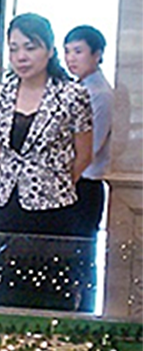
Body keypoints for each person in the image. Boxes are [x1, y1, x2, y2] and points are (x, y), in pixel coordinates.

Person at [0, 13, 94, 311]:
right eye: (14, 48)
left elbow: (84, 154)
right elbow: (0, 151)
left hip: (53, 211)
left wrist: (55, 183)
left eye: (30, 47)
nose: (21, 57)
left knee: (47, 294)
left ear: (50, 50)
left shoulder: (72, 95)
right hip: (3, 206)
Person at [64, 25, 113, 236]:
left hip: (84, 184)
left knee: (77, 248)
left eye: (78, 51)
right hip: (73, 181)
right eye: (67, 51)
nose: (71, 58)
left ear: (97, 54)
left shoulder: (100, 94)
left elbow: (91, 147)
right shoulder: (79, 88)